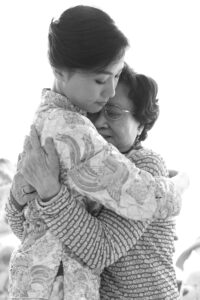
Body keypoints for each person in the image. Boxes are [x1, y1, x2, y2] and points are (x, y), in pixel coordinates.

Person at [6, 5, 188, 300]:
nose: (100, 118)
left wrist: (50, 192)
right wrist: (179, 187)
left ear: (142, 122)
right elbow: (21, 223)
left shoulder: (144, 163)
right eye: (101, 82)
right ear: (59, 73)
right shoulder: (71, 134)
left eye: (114, 111)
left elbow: (99, 249)